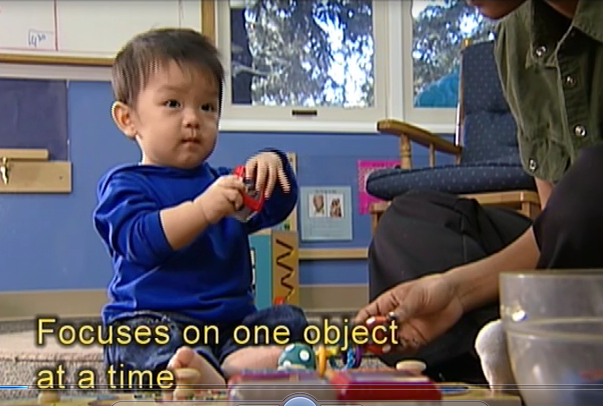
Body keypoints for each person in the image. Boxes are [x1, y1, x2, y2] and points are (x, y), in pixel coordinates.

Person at [356, 0, 603, 380]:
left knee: (592, 181)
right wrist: (454, 291)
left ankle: (531, 349)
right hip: (582, 258)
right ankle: (508, 349)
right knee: (408, 225)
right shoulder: (515, 35)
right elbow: (556, 234)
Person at [92, 28, 307, 389]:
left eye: (207, 107)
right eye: (173, 104)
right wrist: (203, 209)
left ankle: (229, 365)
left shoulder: (225, 182)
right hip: (154, 317)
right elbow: (141, 242)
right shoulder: (124, 185)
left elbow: (276, 205)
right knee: (137, 339)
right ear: (128, 119)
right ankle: (193, 370)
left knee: (288, 319)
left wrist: (274, 164)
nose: (193, 118)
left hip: (230, 325)